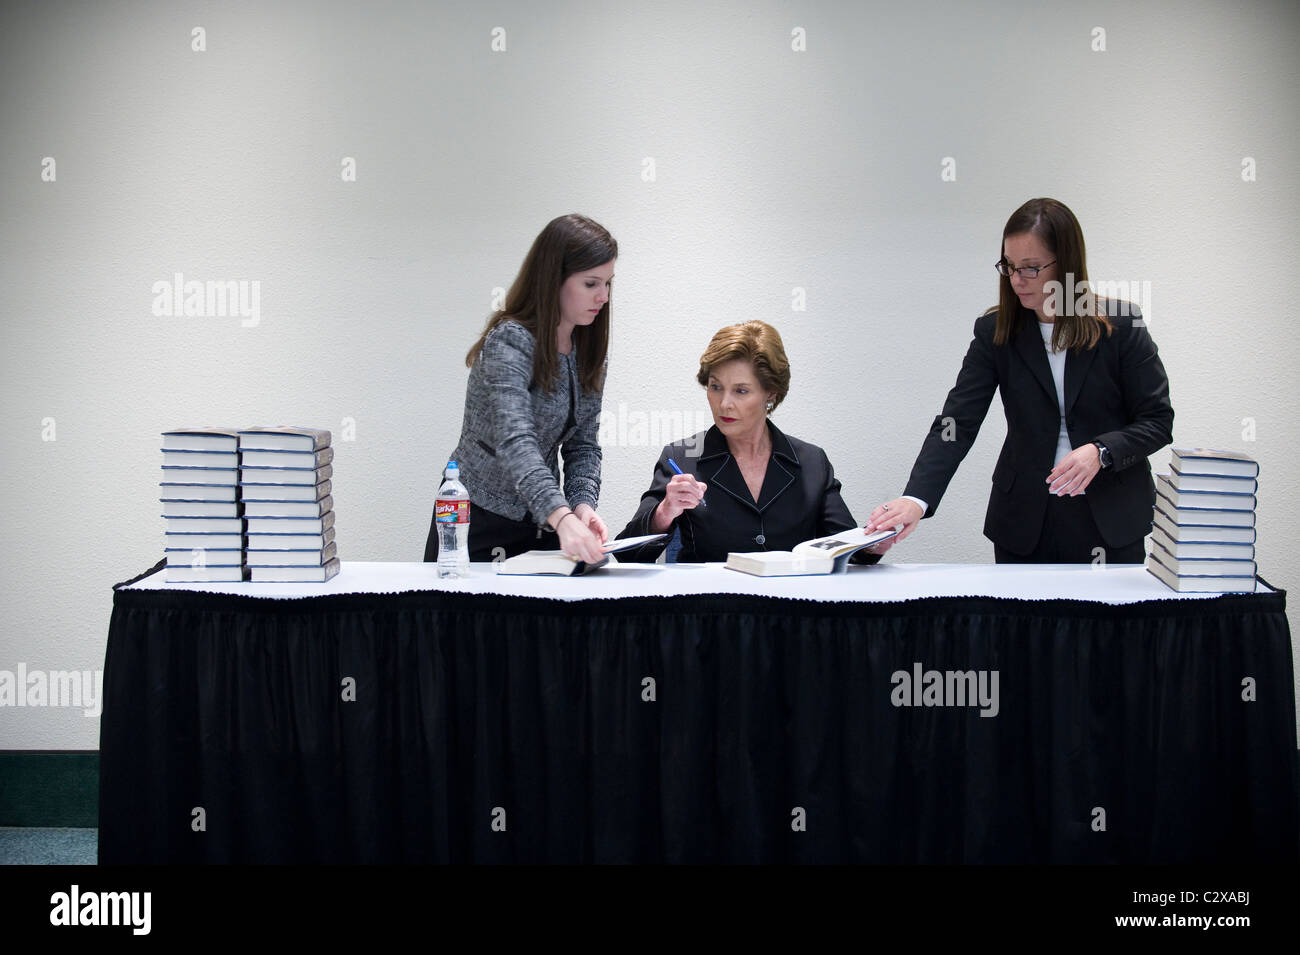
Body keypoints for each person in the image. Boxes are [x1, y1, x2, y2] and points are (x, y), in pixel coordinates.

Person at [865, 198, 1174, 563]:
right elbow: (957, 423)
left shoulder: (1121, 325)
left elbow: (1157, 421)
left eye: (1030, 268)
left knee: (1110, 621)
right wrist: (916, 499)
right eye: (1009, 267)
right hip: (1025, 520)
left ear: (1067, 264)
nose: (1016, 280)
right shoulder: (995, 332)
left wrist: (1101, 451)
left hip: (1111, 515)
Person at [423, 214, 616, 566]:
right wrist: (563, 516)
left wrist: (582, 506)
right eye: (591, 284)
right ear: (553, 278)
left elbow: (583, 446)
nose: (603, 296)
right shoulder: (509, 342)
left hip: (542, 522)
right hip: (476, 519)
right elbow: (515, 442)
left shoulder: (588, 351)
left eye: (608, 283)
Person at [617, 321, 892, 563]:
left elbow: (849, 549)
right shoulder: (682, 457)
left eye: (741, 391)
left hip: (792, 609)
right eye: (715, 387)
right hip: (711, 612)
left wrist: (875, 545)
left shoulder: (811, 462)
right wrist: (664, 512)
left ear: (770, 392)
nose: (724, 403)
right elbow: (626, 556)